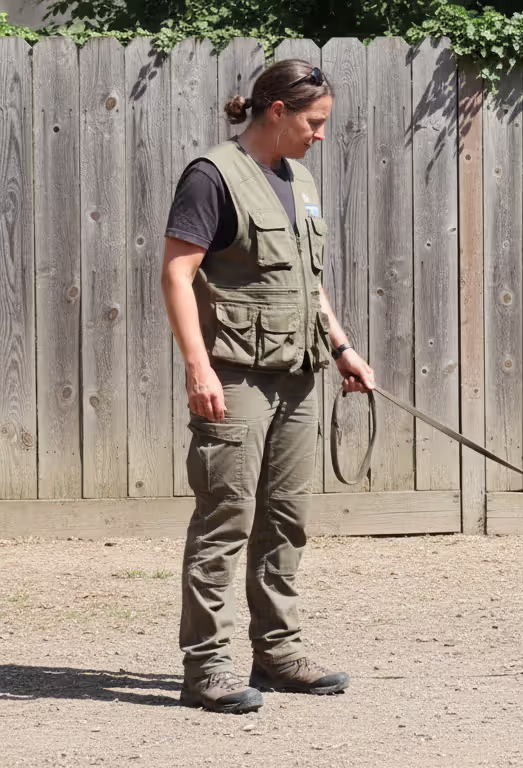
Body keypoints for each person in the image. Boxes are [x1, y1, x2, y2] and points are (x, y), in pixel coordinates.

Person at [160, 59, 376, 714]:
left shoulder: (300, 179)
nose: (320, 136)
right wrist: (198, 368)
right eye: (313, 123)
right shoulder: (212, 177)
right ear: (276, 112)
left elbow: (306, 281)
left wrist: (342, 347)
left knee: (288, 518)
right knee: (227, 517)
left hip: (299, 373)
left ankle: (276, 653)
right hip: (235, 374)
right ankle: (206, 668)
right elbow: (176, 273)